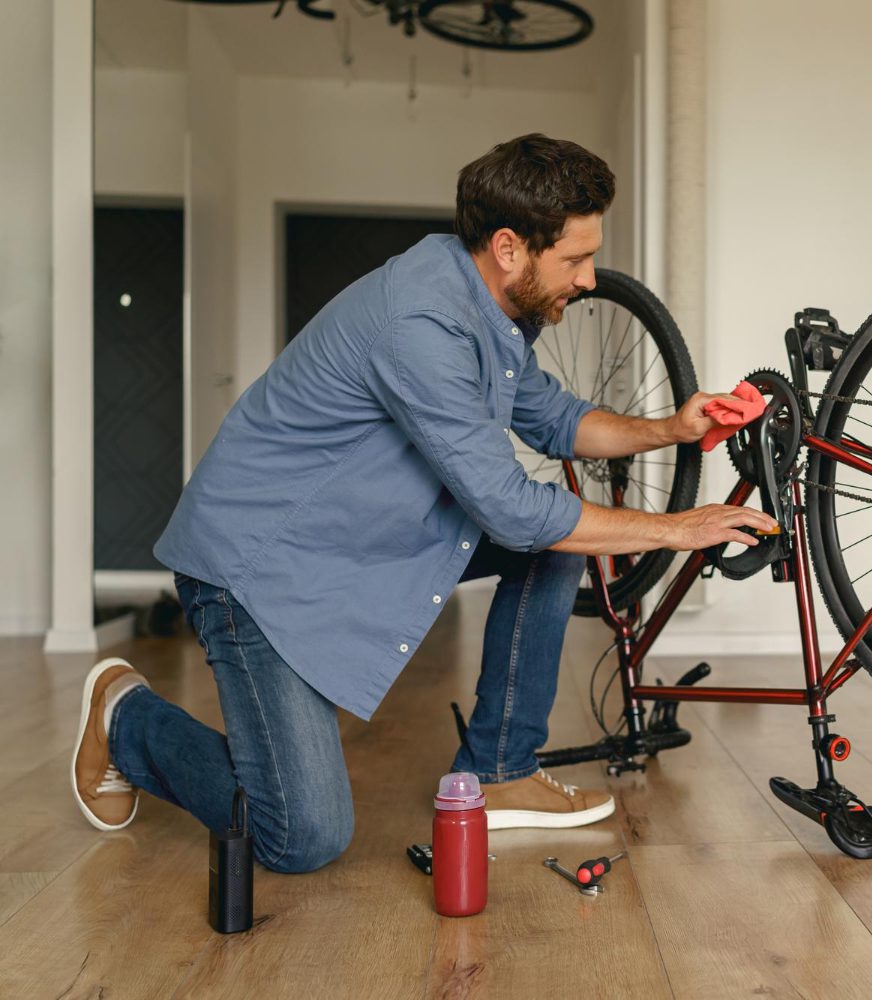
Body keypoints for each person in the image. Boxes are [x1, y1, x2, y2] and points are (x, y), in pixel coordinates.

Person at [70, 134, 776, 874]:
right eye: (574, 259)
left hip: (340, 544)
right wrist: (676, 530)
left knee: (551, 549)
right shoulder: (421, 323)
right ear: (510, 247)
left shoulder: (487, 308)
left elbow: (557, 419)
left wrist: (673, 427)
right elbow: (511, 508)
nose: (590, 278)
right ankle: (126, 717)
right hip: (256, 572)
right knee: (301, 836)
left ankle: (500, 772)